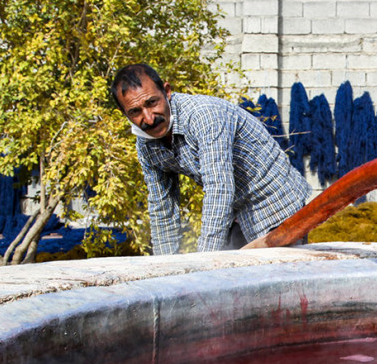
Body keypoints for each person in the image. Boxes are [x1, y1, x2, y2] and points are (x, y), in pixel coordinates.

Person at [110, 63, 310, 254]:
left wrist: (203, 263)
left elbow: (219, 188)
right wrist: (164, 270)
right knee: (233, 279)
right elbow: (162, 207)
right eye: (135, 112)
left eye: (152, 103)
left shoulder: (204, 116)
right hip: (237, 213)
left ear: (167, 92)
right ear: (124, 113)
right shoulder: (146, 144)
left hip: (275, 203)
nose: (149, 118)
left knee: (273, 279)